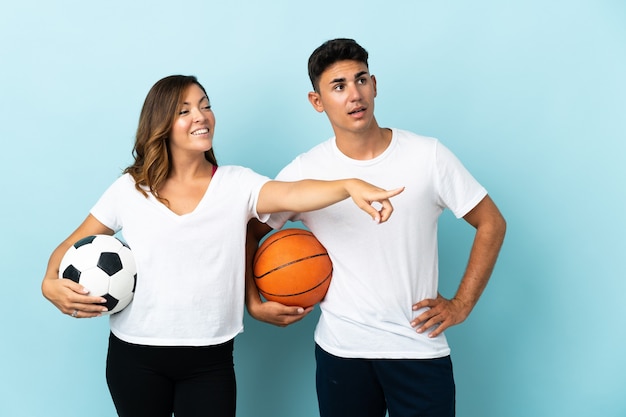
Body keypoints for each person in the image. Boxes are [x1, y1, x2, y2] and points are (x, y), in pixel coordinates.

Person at [41, 74, 403, 417]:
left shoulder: (236, 184)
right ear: (161, 124)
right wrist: (49, 282)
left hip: (210, 361)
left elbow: (293, 192)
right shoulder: (130, 189)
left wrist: (348, 185)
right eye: (184, 111)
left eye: (205, 105)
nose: (201, 116)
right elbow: (70, 246)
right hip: (134, 357)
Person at [245, 39, 506, 416]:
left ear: (375, 85)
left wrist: (461, 303)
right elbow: (250, 232)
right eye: (338, 86)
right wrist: (254, 302)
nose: (354, 94)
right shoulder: (306, 170)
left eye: (361, 80)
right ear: (317, 101)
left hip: (418, 348)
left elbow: (491, 223)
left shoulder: (427, 155)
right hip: (342, 351)